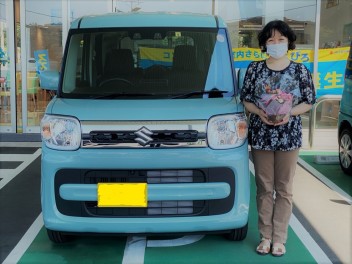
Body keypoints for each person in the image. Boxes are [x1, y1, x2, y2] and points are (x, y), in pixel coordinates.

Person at [240, 20, 316, 257]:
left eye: (280, 39)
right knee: (264, 187)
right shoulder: (255, 69)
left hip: (288, 136)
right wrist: (260, 112)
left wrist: (288, 113)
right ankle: (265, 236)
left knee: (284, 189)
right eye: (270, 40)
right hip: (262, 136)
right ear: (264, 43)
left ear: (289, 42)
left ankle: (280, 238)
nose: (276, 44)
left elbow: (309, 101)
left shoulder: (300, 70)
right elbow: (246, 99)